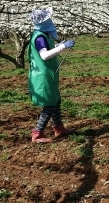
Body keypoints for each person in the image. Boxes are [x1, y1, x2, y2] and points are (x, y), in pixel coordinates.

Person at [28, 8, 76, 143]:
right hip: (43, 76)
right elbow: (44, 55)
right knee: (49, 104)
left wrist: (58, 45)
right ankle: (37, 133)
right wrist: (62, 47)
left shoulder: (43, 35)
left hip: (48, 74)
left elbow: (47, 49)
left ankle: (59, 127)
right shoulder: (40, 37)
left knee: (56, 100)